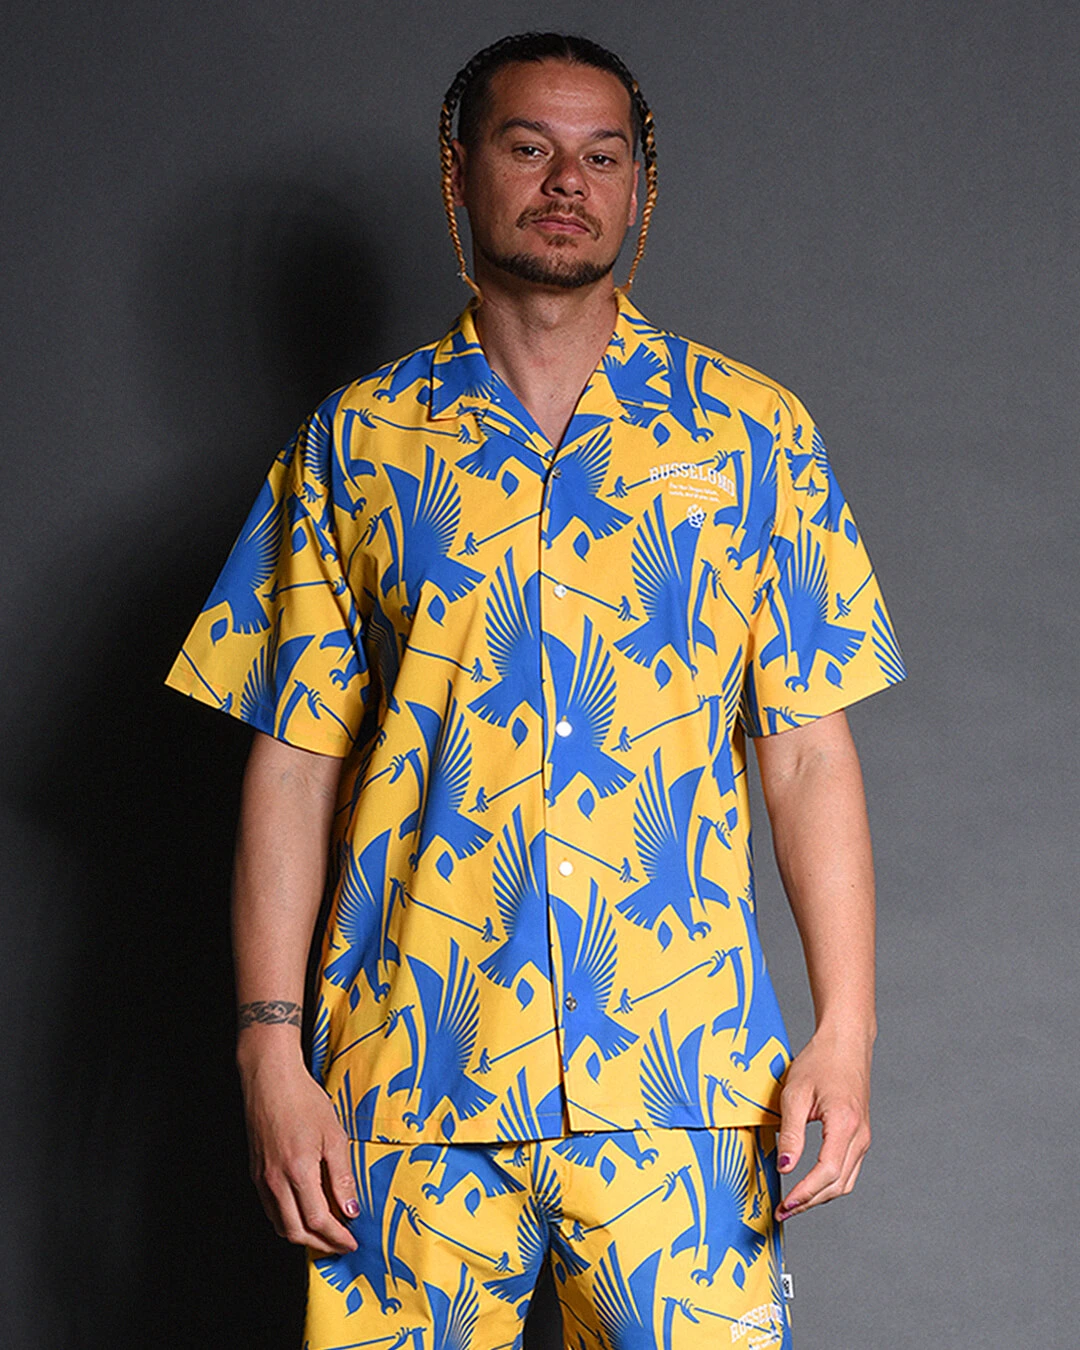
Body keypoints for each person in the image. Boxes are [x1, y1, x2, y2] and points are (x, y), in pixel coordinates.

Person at [166, 30, 904, 1349]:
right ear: (459, 173)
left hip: (682, 1096)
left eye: (602, 156)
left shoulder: (756, 435)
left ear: (641, 190)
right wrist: (269, 1050)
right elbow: (294, 760)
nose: (569, 181)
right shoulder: (354, 443)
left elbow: (805, 752)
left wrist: (844, 1033)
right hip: (410, 1095)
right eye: (529, 147)